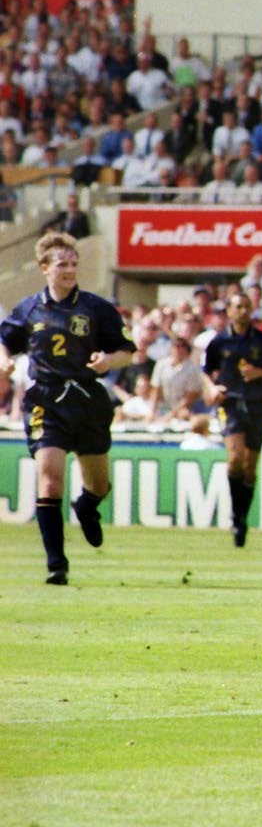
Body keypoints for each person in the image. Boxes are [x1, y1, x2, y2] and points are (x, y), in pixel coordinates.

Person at [1, 232, 136, 585]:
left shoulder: (95, 308)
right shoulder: (29, 308)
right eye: (62, 264)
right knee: (50, 478)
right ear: (44, 267)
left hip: (87, 399)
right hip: (46, 400)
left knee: (99, 484)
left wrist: (108, 361)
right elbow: (4, 340)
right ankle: (56, 564)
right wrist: (4, 360)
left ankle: (87, 505)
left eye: (74, 264)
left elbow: (127, 351)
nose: (70, 270)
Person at [201, 291, 262, 548]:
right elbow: (205, 371)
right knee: (235, 458)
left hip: (256, 403)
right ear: (230, 311)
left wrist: (259, 372)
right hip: (231, 403)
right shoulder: (219, 342)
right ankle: (236, 517)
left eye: (247, 306)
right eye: (239, 306)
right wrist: (212, 388)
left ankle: (241, 517)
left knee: (249, 467)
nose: (243, 310)